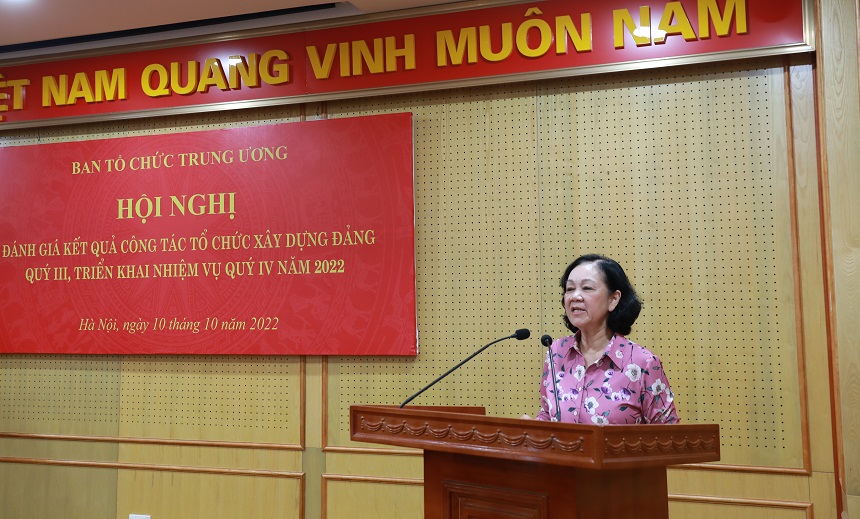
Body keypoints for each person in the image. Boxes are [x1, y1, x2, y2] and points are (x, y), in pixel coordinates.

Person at [531, 254, 679, 424]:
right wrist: (534, 428)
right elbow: (548, 413)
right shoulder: (557, 352)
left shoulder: (642, 363)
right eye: (570, 289)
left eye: (587, 288)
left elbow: (668, 433)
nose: (574, 296)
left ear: (613, 299)